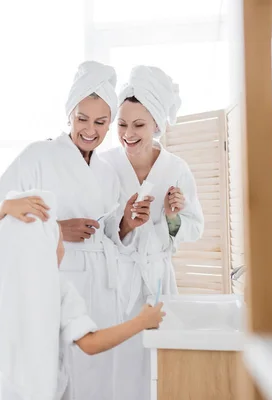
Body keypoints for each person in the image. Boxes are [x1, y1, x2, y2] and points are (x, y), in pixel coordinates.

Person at [0, 61, 151, 399]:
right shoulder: (39, 156)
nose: (91, 130)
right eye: (82, 119)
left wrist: (127, 223)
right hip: (51, 285)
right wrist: (57, 229)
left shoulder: (106, 171)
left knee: (91, 381)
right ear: (69, 116)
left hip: (100, 294)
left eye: (101, 122)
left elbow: (109, 232)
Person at [0, 190, 165, 400]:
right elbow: (90, 344)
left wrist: (3, 208)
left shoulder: (7, 285)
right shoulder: (58, 290)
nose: (62, 245)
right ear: (46, 247)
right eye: (60, 238)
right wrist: (142, 321)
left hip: (2, 392)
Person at [101, 65, 205, 399]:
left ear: (156, 125)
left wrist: (173, 218)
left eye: (139, 125)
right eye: (122, 124)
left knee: (160, 367)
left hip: (159, 281)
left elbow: (195, 227)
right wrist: (126, 224)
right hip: (117, 282)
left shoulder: (176, 169)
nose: (128, 133)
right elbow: (94, 229)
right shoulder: (105, 165)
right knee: (119, 369)